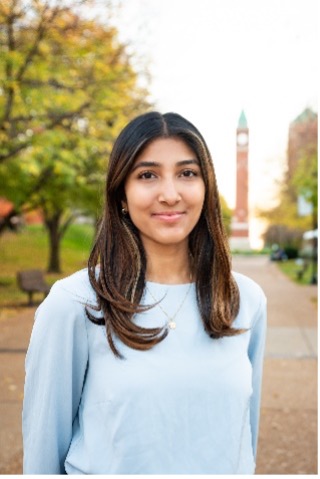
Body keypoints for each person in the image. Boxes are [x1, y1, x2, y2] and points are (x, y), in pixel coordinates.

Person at [22, 111, 267, 475]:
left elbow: (243, 444)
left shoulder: (244, 301)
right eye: (147, 175)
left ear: (206, 187)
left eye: (187, 173)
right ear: (121, 193)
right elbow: (42, 455)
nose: (170, 194)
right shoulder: (75, 303)